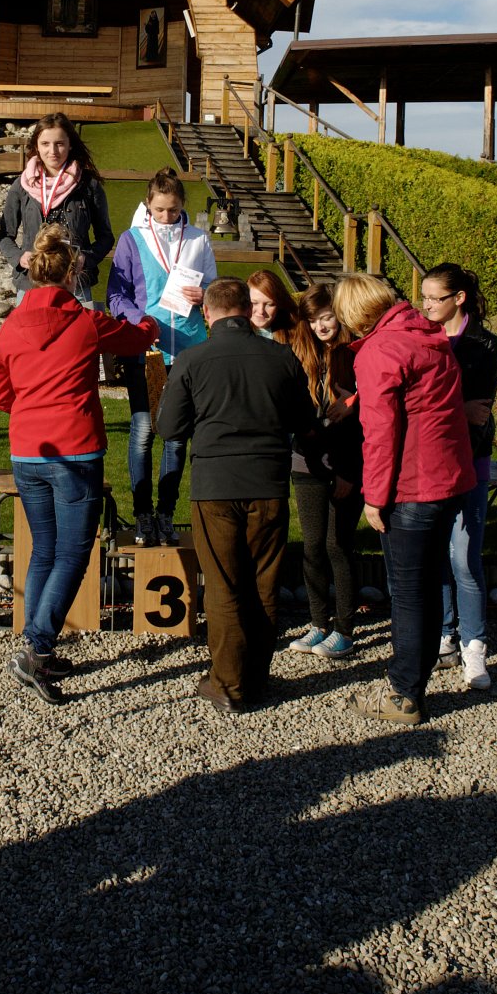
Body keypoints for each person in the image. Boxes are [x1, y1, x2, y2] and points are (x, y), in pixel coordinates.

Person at [0, 224, 158, 704]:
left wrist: (29, 408)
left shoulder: (12, 325)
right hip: (75, 449)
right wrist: (152, 321)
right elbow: (136, 338)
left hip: (27, 450)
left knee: (45, 550)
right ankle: (38, 647)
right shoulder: (85, 321)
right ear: (72, 274)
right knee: (73, 553)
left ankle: (36, 641)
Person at [156, 277, 320, 715]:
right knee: (263, 581)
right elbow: (304, 421)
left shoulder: (192, 360)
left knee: (224, 584)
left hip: (216, 484)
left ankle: (228, 682)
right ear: (248, 311)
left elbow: (169, 428)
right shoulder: (281, 357)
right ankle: (256, 677)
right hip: (267, 482)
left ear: (207, 314)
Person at [333, 274, 475, 727]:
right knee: (429, 585)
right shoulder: (428, 334)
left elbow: (380, 433)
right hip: (447, 478)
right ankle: (417, 676)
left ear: (354, 315)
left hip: (412, 485)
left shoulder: (380, 350)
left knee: (409, 593)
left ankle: (405, 692)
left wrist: (374, 497)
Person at [106, 167, 217, 545]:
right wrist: (139, 320)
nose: (167, 216)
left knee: (177, 437)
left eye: (173, 209)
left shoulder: (198, 239)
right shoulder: (132, 240)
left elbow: (216, 289)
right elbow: (116, 295)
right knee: (142, 433)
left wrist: (207, 295)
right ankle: (142, 515)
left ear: (183, 205)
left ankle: (166, 513)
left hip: (188, 350)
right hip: (146, 349)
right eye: (159, 210)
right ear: (147, 206)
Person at [421, 263, 497, 690]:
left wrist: (440, 409)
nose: (427, 306)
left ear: (458, 298)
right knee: (436, 556)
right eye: (423, 297)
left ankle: (474, 645)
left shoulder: (485, 344)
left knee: (465, 560)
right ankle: (444, 635)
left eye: (435, 298)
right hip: (429, 463)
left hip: (470, 461)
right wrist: (454, 409)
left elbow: (478, 412)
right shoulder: (420, 336)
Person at [287, 284, 365, 660]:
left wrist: (350, 472)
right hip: (306, 461)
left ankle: (345, 629)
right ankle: (318, 622)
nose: (321, 326)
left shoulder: (356, 354)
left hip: (346, 463)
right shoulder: (301, 354)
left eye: (327, 317)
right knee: (313, 546)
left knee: (338, 545)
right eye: (313, 320)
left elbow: (367, 424)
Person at [0, 112, 113, 304]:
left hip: (75, 283)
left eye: (59, 143)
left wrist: (85, 258)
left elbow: (106, 237)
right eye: (45, 144)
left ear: (70, 144)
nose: (53, 151)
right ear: (36, 146)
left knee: (78, 326)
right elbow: (4, 235)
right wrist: (19, 257)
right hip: (31, 282)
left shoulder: (88, 186)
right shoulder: (21, 185)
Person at [248, 269, 297, 343]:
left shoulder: (295, 333)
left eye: (269, 304)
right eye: (254, 303)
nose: (261, 311)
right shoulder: (233, 332)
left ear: (280, 304)